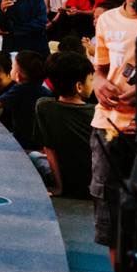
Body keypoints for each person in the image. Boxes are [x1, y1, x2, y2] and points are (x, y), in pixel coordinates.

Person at [90, 0, 137, 266]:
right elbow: (100, 70)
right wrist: (97, 82)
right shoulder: (107, 19)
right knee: (112, 221)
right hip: (107, 128)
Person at [34, 51, 96, 198]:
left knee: (35, 157)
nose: (93, 84)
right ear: (79, 86)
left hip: (68, 184)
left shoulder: (43, 106)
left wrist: (59, 187)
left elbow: (49, 149)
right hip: (93, 186)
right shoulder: (96, 113)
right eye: (91, 80)